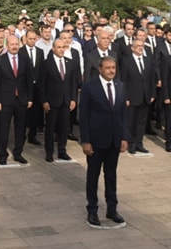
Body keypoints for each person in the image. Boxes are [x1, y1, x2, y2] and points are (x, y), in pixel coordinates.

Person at [79, 56, 129, 227]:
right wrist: (85, 140)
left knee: (111, 175)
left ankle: (112, 209)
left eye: (113, 67)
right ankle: (92, 210)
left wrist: (124, 137)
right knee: (93, 176)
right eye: (107, 68)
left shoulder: (120, 86)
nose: (111, 71)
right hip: (95, 140)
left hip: (114, 140)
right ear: (100, 69)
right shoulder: (89, 87)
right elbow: (83, 115)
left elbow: (123, 114)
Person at [0, 34, 33, 165]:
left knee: (20, 128)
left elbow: (29, 80)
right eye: (12, 44)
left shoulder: (25, 59)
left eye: (16, 44)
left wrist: (30, 98)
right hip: (5, 100)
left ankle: (18, 153)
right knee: (4, 128)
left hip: (21, 99)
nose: (14, 47)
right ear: (7, 45)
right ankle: (3, 154)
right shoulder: (0, 60)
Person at [39, 38, 77, 162]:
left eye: (63, 47)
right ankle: (49, 152)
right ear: (53, 48)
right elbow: (42, 84)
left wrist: (73, 99)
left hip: (66, 101)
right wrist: (44, 100)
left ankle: (62, 150)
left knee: (64, 127)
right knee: (50, 128)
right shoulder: (46, 63)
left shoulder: (70, 62)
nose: (61, 50)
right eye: (59, 47)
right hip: (52, 101)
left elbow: (72, 83)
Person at [120, 37, 157, 154]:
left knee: (142, 122)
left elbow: (152, 79)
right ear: (132, 48)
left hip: (145, 96)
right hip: (132, 97)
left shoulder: (148, 60)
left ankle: (139, 143)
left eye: (142, 46)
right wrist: (125, 97)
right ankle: (131, 144)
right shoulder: (126, 61)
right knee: (131, 121)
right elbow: (123, 81)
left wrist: (152, 94)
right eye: (138, 46)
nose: (140, 48)